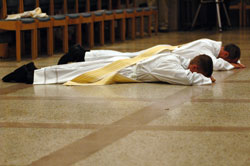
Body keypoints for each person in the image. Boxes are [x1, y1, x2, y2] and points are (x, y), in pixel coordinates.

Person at [2, 45, 214, 86]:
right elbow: (185, 79)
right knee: (76, 73)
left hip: (126, 65)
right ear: (195, 69)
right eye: (197, 72)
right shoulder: (173, 66)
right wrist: (206, 79)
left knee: (76, 70)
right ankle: (32, 76)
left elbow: (185, 68)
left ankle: (34, 72)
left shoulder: (176, 59)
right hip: (124, 69)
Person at [71, 39, 244, 71]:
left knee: (125, 56)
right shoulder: (207, 47)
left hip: (164, 51)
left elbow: (218, 59)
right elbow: (215, 63)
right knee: (124, 58)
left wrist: (234, 62)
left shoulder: (214, 46)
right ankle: (84, 55)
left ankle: (86, 54)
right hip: (163, 52)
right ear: (225, 53)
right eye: (228, 58)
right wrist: (232, 65)